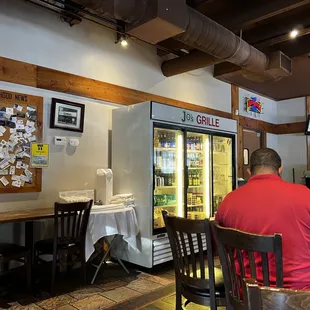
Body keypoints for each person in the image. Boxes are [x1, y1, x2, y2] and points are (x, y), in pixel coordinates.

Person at [216, 148, 310, 289]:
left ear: (249, 172)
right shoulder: (305, 194)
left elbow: (220, 246)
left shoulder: (229, 200)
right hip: (300, 293)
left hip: (246, 292)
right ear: (280, 170)